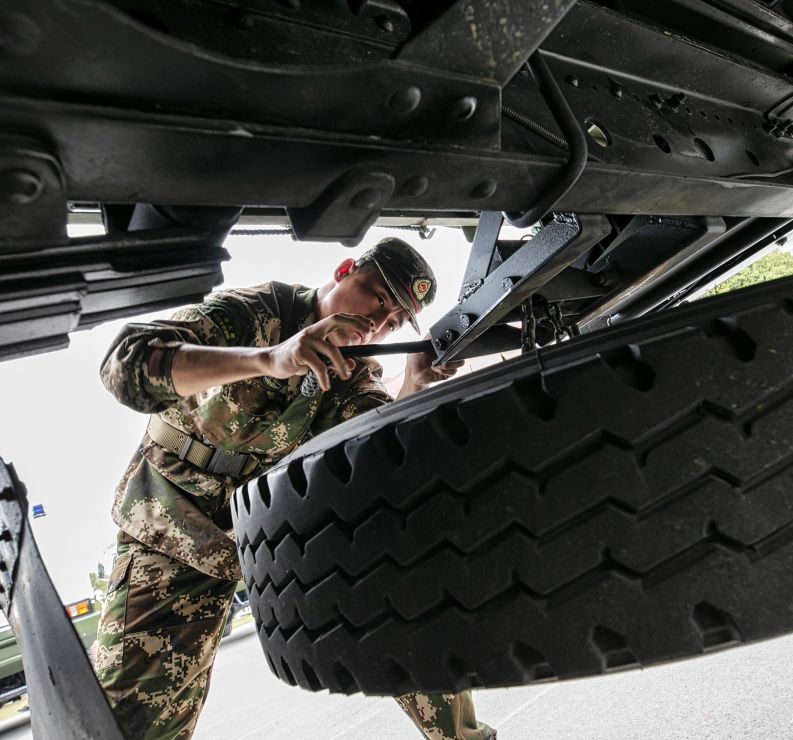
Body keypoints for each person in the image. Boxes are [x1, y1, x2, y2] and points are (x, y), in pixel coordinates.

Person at [93, 237, 496, 740]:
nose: (380, 322)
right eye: (377, 296)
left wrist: (413, 383)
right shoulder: (254, 312)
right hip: (172, 524)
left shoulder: (353, 374)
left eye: (395, 320)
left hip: (274, 531)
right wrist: (270, 358)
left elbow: (382, 447)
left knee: (399, 603)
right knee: (129, 719)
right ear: (345, 269)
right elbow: (127, 364)